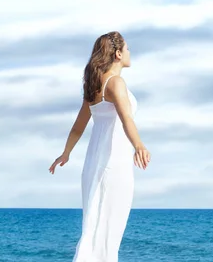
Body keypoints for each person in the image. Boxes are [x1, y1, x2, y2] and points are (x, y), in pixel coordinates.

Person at [48, 31, 151, 261]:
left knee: (94, 228)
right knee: (108, 232)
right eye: (127, 48)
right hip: (114, 165)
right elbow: (126, 118)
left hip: (94, 164)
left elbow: (78, 127)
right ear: (117, 54)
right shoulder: (115, 83)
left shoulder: (95, 85)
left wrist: (66, 153)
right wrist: (139, 145)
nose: (129, 52)